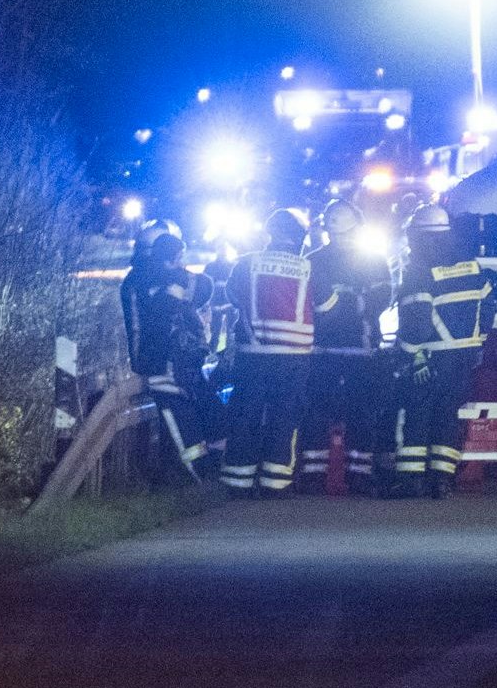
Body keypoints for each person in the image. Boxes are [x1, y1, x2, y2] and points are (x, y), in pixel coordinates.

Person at [388, 203, 490, 497]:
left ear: (425, 237)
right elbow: (489, 306)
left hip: (429, 357)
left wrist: (407, 354)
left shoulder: (420, 271)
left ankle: (411, 482)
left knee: (417, 416)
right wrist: (477, 341)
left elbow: (416, 322)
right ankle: (442, 481)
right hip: (463, 358)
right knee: (447, 416)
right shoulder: (471, 265)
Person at [222, 209, 316, 495]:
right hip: (295, 357)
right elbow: (325, 308)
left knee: (245, 414)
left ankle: (238, 481)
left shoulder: (246, 264)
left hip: (253, 354)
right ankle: (275, 483)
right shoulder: (309, 268)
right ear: (300, 238)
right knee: (286, 416)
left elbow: (232, 296)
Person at [304, 196, 390, 492]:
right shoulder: (373, 261)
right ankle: (358, 477)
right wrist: (351, 304)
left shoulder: (313, 260)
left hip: (326, 351)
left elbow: (379, 300)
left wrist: (336, 306)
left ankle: (313, 478)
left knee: (318, 413)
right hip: (355, 351)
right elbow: (377, 303)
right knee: (360, 414)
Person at [125, 224, 211, 483]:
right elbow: (147, 323)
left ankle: (202, 473)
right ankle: (198, 475)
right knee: (182, 422)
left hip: (182, 363)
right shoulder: (139, 283)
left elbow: (202, 289)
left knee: (203, 414)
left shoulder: (163, 280)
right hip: (163, 365)